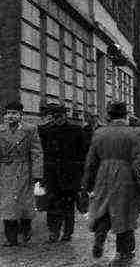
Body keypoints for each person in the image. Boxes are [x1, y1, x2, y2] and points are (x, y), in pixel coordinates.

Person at [82, 102, 140, 266]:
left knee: (103, 209)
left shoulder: (99, 133)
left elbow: (91, 161)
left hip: (103, 175)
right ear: (125, 116)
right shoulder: (132, 134)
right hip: (125, 178)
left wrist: (88, 183)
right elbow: (139, 162)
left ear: (108, 116)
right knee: (124, 214)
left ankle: (100, 234)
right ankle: (123, 253)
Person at [38, 104, 88, 243]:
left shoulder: (76, 130)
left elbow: (83, 152)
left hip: (70, 174)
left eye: (60, 116)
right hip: (51, 174)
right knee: (52, 204)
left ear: (65, 116)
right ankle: (53, 232)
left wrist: (80, 172)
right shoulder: (44, 131)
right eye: (54, 116)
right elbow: (40, 152)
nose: (57, 119)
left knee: (68, 204)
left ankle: (67, 232)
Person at [0, 101, 42, 246]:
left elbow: (36, 152)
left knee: (24, 203)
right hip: (5, 171)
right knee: (8, 204)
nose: (10, 116)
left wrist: (37, 173)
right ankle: (11, 238)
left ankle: (26, 229)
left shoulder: (30, 130)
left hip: (24, 170)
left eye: (14, 113)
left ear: (20, 115)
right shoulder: (0, 130)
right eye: (8, 113)